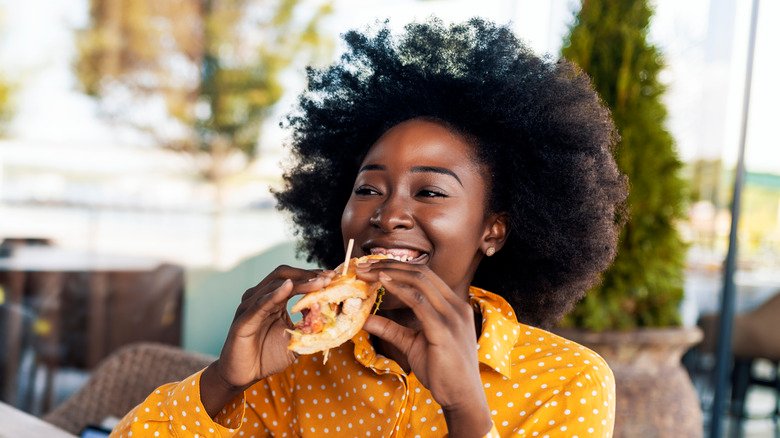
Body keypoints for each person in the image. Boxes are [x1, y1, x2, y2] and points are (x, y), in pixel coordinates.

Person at [112, 18, 627, 437]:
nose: (387, 215)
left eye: (429, 192)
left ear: (492, 231)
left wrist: (467, 410)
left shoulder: (567, 381)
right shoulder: (295, 359)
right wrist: (224, 380)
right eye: (367, 189)